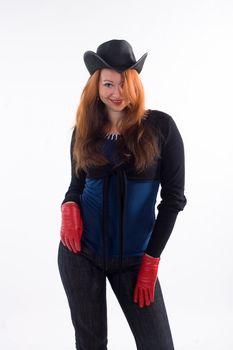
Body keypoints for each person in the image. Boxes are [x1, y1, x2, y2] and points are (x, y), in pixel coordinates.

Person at [57, 39, 187, 350]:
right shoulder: (84, 130)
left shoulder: (161, 128)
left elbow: (172, 200)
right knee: (91, 344)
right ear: (96, 86)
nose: (117, 93)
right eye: (108, 84)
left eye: (124, 82)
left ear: (136, 83)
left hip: (135, 261)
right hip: (81, 255)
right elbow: (76, 184)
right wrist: (69, 204)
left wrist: (152, 259)